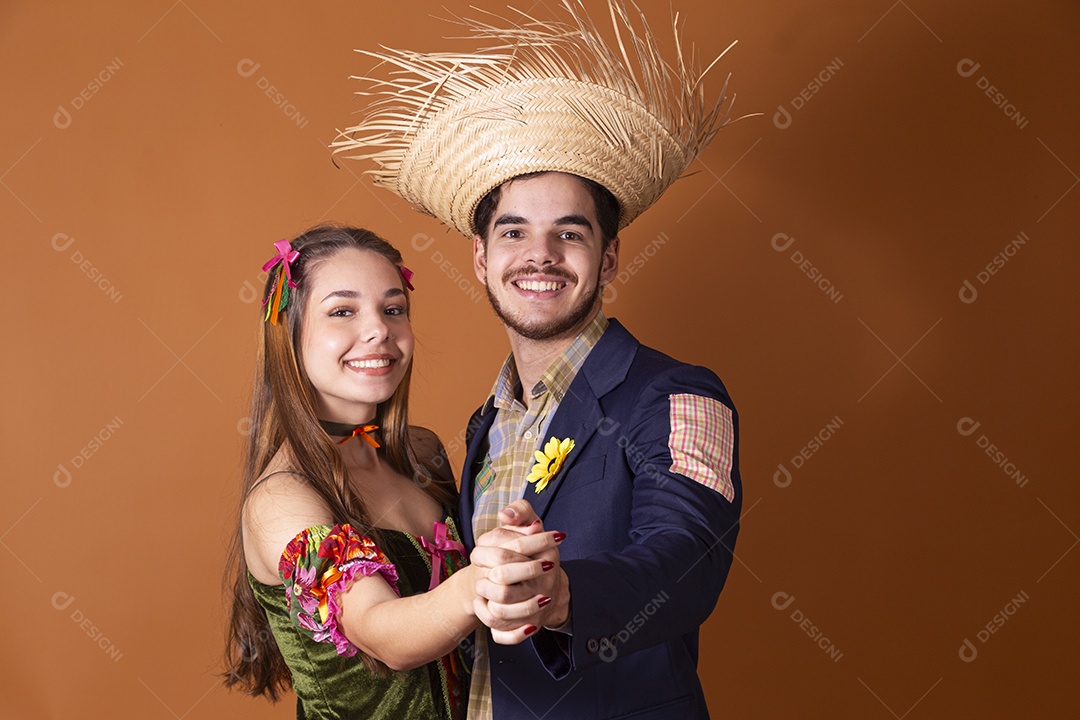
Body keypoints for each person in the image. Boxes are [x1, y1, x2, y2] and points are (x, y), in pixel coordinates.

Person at [331, 1, 743, 717]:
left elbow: (686, 558)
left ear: (607, 256)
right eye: (515, 233)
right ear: (482, 261)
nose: (540, 257)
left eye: (570, 234)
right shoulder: (484, 425)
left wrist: (563, 594)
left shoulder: (679, 396)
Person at [222, 225, 561, 719]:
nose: (379, 328)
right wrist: (481, 581)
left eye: (393, 308)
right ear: (289, 333)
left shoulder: (420, 452)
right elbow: (382, 633)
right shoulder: (283, 499)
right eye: (343, 311)